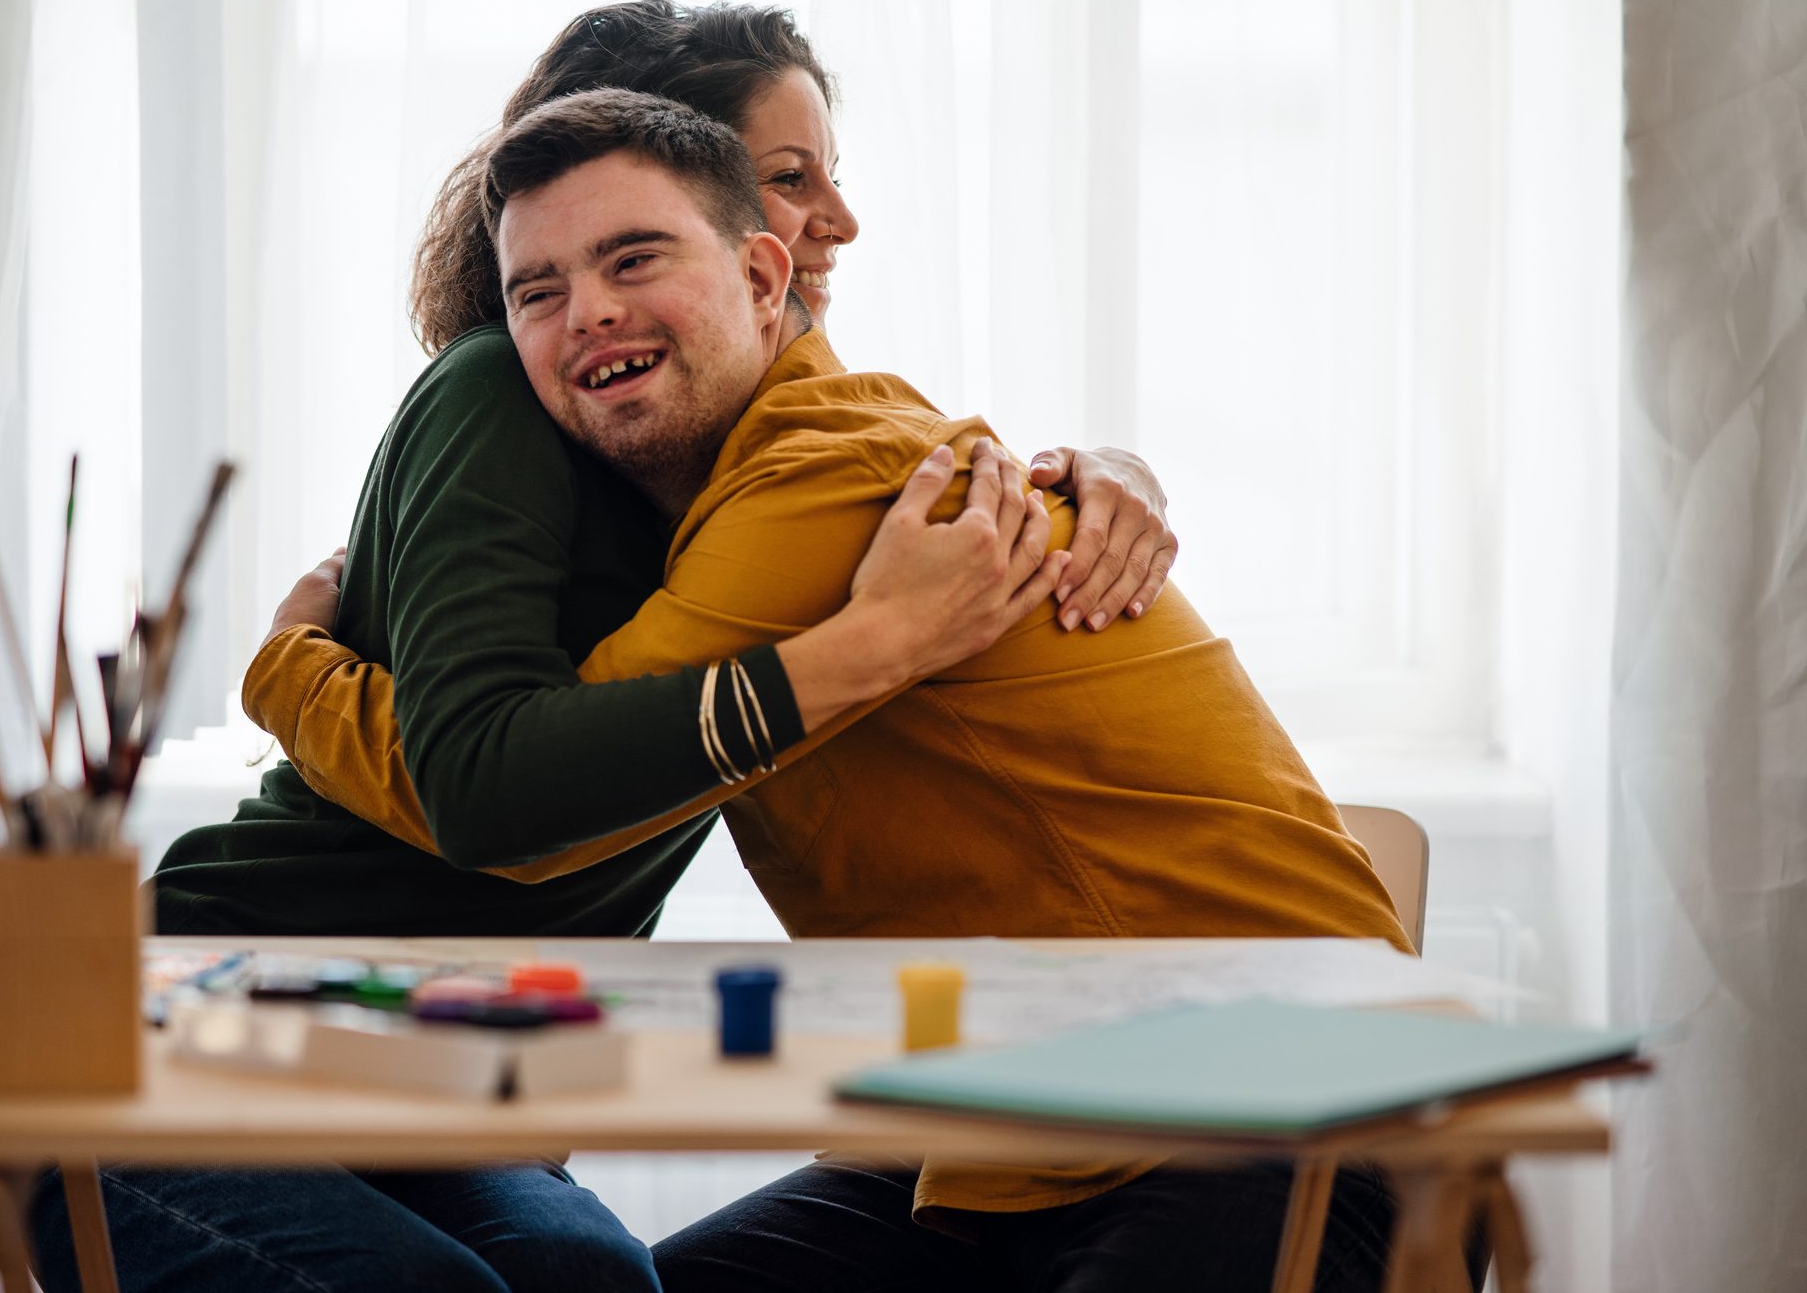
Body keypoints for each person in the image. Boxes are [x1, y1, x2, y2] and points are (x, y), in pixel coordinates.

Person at [30, 3, 1165, 1293]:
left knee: (599, 1287)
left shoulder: (747, 465)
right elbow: (489, 785)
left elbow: (926, 477)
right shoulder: (499, 399)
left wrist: (1101, 471)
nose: (833, 220)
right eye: (787, 177)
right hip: (198, 1029)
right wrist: (874, 644)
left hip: (433, 1071)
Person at [267, 87, 1421, 1290]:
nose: (589, 312)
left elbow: (513, 797)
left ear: (764, 281)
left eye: (633, 257)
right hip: (1010, 1139)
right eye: (536, 291)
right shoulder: (767, 496)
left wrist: (287, 667)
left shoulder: (816, 484)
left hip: (1266, 1105)